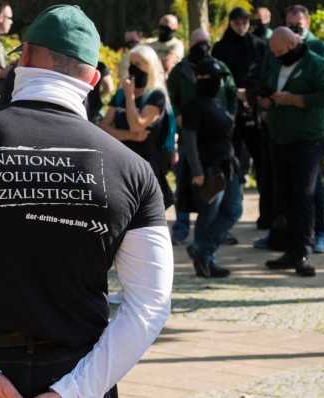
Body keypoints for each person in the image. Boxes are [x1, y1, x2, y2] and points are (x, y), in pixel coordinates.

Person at [0, 5, 173, 397]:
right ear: (93, 79)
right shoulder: (133, 169)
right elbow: (151, 302)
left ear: (22, 57)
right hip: (79, 367)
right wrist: (76, 390)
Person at [259, 27, 324, 277]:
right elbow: (267, 86)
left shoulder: (318, 64)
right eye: (274, 53)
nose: (276, 56)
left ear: (293, 45)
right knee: (283, 195)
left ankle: (304, 251)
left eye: (280, 52)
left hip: (307, 139)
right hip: (279, 137)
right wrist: (265, 99)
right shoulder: (275, 62)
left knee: (304, 194)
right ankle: (288, 249)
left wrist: (294, 99)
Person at [167, 28, 237, 244]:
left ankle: (214, 234)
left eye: (205, 41)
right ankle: (181, 229)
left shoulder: (220, 68)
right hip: (192, 133)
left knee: (219, 192)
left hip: (217, 134)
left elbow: (232, 94)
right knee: (186, 183)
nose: (202, 46)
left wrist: (230, 117)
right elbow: (170, 97)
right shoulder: (180, 71)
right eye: (198, 42)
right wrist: (178, 115)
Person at [180, 57, 242, 278]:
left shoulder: (217, 102)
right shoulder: (193, 106)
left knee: (233, 210)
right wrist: (196, 170)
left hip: (228, 166)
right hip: (208, 170)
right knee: (209, 215)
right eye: (213, 78)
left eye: (220, 78)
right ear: (199, 79)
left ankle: (202, 251)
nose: (218, 82)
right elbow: (189, 140)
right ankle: (205, 258)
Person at [212, 7, 268, 227]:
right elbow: (216, 79)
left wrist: (251, 95)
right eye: (237, 22)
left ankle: (267, 216)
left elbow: (265, 75)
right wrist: (235, 92)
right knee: (229, 163)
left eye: (245, 21)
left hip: (254, 110)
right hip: (229, 112)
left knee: (263, 163)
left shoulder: (259, 45)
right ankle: (225, 217)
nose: (241, 25)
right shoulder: (220, 47)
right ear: (230, 23)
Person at [101, 44, 174, 208]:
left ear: (150, 67)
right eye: (132, 63)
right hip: (121, 165)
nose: (133, 68)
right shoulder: (120, 93)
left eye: (139, 64)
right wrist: (130, 136)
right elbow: (103, 128)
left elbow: (136, 125)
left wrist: (129, 97)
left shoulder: (155, 95)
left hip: (147, 167)